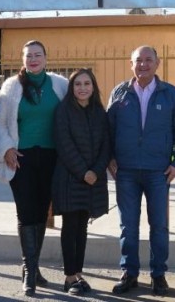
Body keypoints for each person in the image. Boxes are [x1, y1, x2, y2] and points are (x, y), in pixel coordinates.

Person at [107, 45, 175, 296]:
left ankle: (158, 275)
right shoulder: (119, 93)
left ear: (157, 63)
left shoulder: (171, 94)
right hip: (126, 171)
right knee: (128, 226)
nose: (143, 64)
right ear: (131, 64)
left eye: (148, 60)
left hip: (158, 171)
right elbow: (107, 129)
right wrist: (109, 157)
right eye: (138, 60)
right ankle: (129, 273)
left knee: (159, 226)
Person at [0, 40, 67, 295]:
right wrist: (6, 149)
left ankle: (32, 267)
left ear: (46, 57)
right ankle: (29, 271)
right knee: (26, 213)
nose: (33, 59)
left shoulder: (60, 84)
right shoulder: (11, 86)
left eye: (38, 55)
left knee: (41, 214)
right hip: (20, 159)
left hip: (51, 159)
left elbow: (72, 118)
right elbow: (0, 123)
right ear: (22, 60)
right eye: (28, 56)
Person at [52, 68, 110, 296]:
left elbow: (107, 144)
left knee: (82, 229)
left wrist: (96, 171)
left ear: (93, 87)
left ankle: (78, 273)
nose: (83, 88)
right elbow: (64, 144)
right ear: (71, 88)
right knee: (70, 227)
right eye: (78, 84)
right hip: (69, 179)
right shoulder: (63, 111)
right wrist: (83, 172)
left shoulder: (99, 112)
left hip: (93, 180)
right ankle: (69, 277)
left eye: (87, 84)